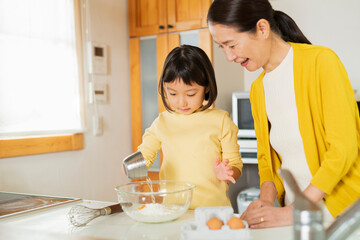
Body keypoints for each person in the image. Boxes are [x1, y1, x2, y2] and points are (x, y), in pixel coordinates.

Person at [207, 0, 360, 229]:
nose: (229, 57)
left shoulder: (321, 61)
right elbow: (266, 159)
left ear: (262, 28)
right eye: (222, 47)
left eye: (232, 45)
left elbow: (343, 149)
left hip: (340, 214)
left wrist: (295, 211)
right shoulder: (258, 89)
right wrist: (265, 202)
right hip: (294, 217)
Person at [132, 45, 243, 209]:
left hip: (212, 210)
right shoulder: (162, 122)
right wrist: (131, 165)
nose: (181, 102)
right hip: (174, 209)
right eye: (173, 93)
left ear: (206, 87)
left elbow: (235, 164)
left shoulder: (221, 121)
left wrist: (227, 173)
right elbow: (145, 154)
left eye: (190, 94)